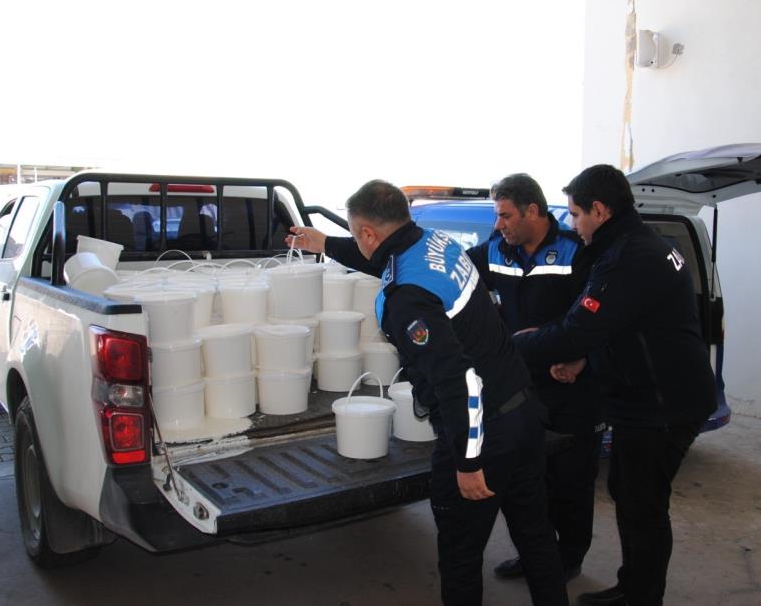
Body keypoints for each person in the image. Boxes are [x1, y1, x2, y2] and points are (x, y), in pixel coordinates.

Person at [287, 180, 568, 606]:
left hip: (484, 431)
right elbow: (384, 258)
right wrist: (325, 243)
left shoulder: (406, 300)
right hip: (524, 412)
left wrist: (468, 461)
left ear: (368, 233)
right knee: (536, 538)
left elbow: (458, 382)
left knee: (460, 556)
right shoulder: (433, 243)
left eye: (358, 233)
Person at [511, 165, 717, 606]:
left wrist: (513, 349)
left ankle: (642, 598)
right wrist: (585, 358)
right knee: (629, 494)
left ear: (599, 210)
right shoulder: (637, 244)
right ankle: (633, 586)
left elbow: (577, 328)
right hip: (653, 395)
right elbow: (624, 324)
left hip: (662, 406)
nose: (571, 224)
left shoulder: (627, 257)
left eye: (575, 214)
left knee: (643, 507)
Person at [464, 173, 605, 583]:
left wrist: (582, 359)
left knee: (572, 479)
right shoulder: (496, 251)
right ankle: (536, 554)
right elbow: (454, 272)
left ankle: (570, 556)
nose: (499, 225)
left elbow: (604, 318)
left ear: (533, 211)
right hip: (520, 388)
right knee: (530, 480)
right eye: (497, 216)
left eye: (505, 215)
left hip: (570, 383)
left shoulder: (576, 252)